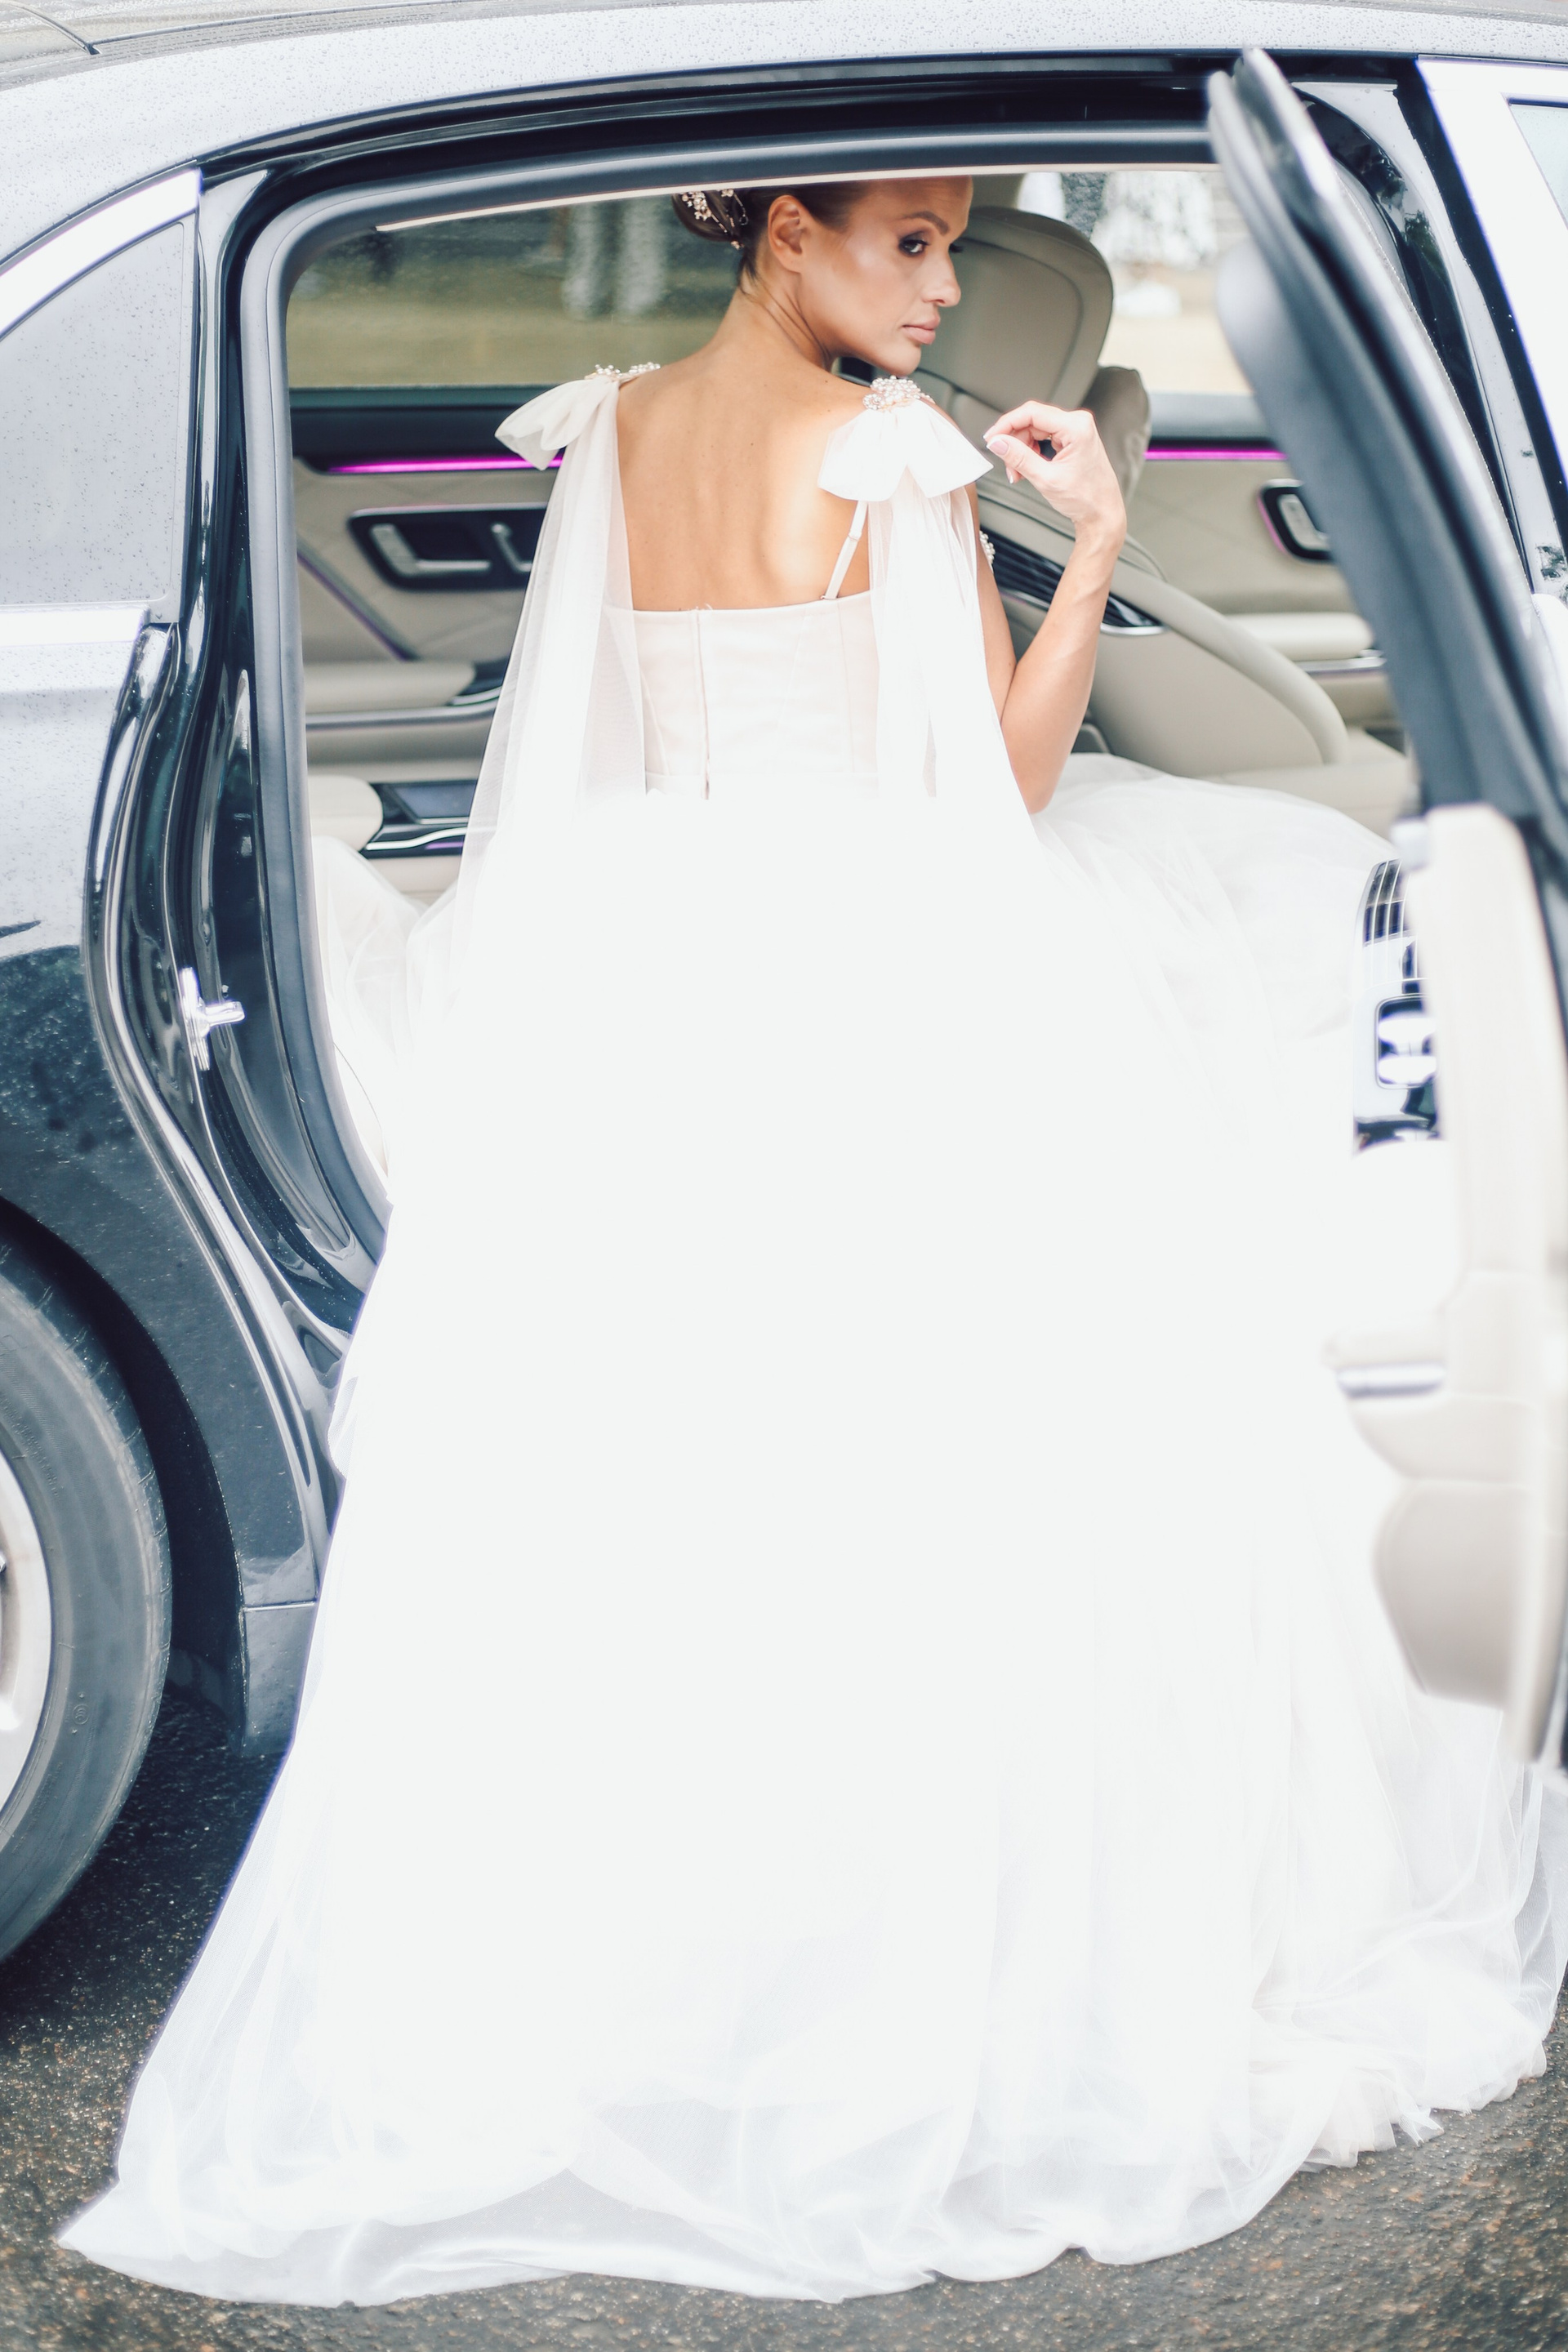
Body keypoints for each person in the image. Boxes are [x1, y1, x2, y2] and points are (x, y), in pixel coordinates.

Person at [61, 176, 1568, 2310]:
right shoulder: (894, 454)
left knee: (713, 1494)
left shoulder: (611, 426)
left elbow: (594, 750)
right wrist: (1094, 544)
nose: (945, 288)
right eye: (913, 244)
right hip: (873, 968)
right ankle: (943, 1946)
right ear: (787, 234)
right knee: (994, 1461)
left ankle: (695, 1955)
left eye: (953, 248)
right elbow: (999, 792)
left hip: (658, 967)